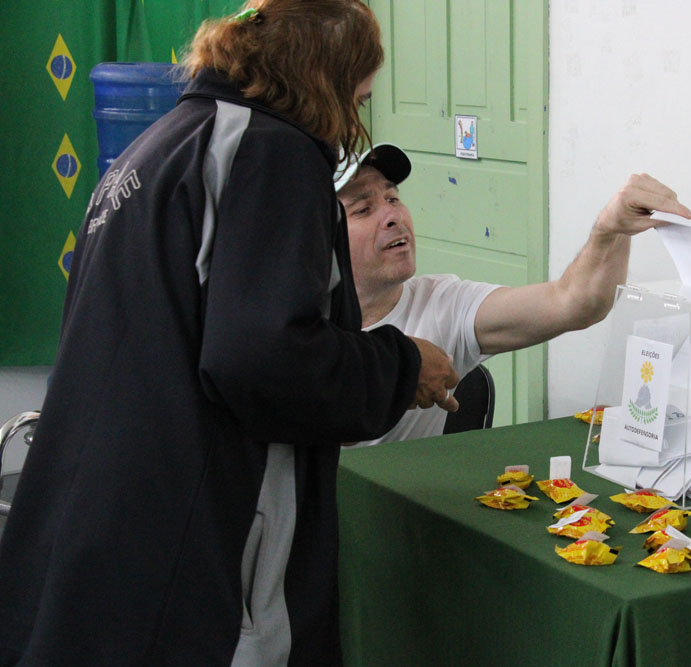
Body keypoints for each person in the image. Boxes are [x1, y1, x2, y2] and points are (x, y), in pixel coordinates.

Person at [0, 2, 458, 665]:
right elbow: (264, 360)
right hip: (199, 554)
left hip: (96, 529)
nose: (354, 119)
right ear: (325, 75)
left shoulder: (158, 146)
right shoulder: (273, 151)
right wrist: (401, 364)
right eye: (357, 98)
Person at [334, 143, 691, 447]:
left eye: (393, 197)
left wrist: (610, 230)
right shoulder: (303, 333)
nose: (392, 215)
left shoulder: (441, 302)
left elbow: (574, 302)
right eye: (363, 209)